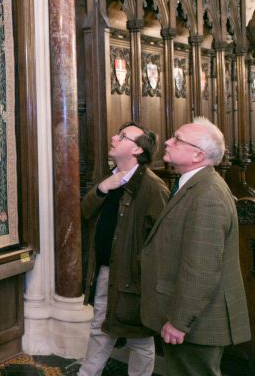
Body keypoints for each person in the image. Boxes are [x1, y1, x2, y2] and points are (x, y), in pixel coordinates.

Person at [141, 117, 251, 375]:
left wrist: (179, 322)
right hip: (191, 316)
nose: (168, 141)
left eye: (177, 139)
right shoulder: (193, 184)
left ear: (197, 155)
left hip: (198, 323)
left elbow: (201, 269)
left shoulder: (207, 195)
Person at [79, 122, 168, 376]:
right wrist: (102, 189)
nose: (114, 138)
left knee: (139, 337)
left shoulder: (153, 188)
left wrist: (144, 277)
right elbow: (85, 212)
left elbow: (162, 242)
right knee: (100, 328)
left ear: (138, 150)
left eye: (122, 136)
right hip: (105, 270)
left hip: (133, 276)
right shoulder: (112, 176)